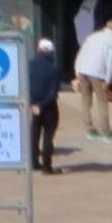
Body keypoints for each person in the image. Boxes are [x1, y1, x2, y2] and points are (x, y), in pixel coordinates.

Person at [74, 18, 112, 140]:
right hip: (97, 73)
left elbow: (81, 53)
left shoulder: (92, 36)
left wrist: (77, 72)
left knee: (86, 101)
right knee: (102, 102)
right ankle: (106, 133)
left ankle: (89, 130)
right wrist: (108, 80)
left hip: (83, 70)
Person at [29, 37, 62, 174]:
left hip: (33, 105)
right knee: (48, 135)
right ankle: (47, 166)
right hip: (48, 107)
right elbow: (53, 93)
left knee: (34, 134)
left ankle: (34, 162)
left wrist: (33, 103)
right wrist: (42, 105)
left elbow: (25, 85)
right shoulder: (54, 69)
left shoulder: (29, 65)